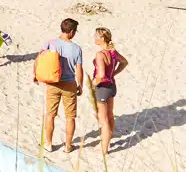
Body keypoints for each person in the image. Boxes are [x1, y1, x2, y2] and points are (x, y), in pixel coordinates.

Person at [38, 18, 85, 153]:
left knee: (50, 115)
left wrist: (36, 76)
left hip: (53, 83)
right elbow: (79, 69)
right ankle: (68, 146)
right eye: (75, 31)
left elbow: (40, 59)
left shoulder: (50, 43)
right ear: (71, 32)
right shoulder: (77, 48)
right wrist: (80, 85)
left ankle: (48, 144)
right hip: (69, 84)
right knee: (70, 116)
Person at [92, 27, 128, 159]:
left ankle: (104, 148)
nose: (94, 37)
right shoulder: (113, 52)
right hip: (112, 86)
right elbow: (124, 62)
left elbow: (101, 74)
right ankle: (107, 141)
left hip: (103, 88)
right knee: (110, 115)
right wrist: (114, 73)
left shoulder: (100, 54)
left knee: (103, 120)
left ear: (102, 38)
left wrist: (94, 82)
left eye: (96, 35)